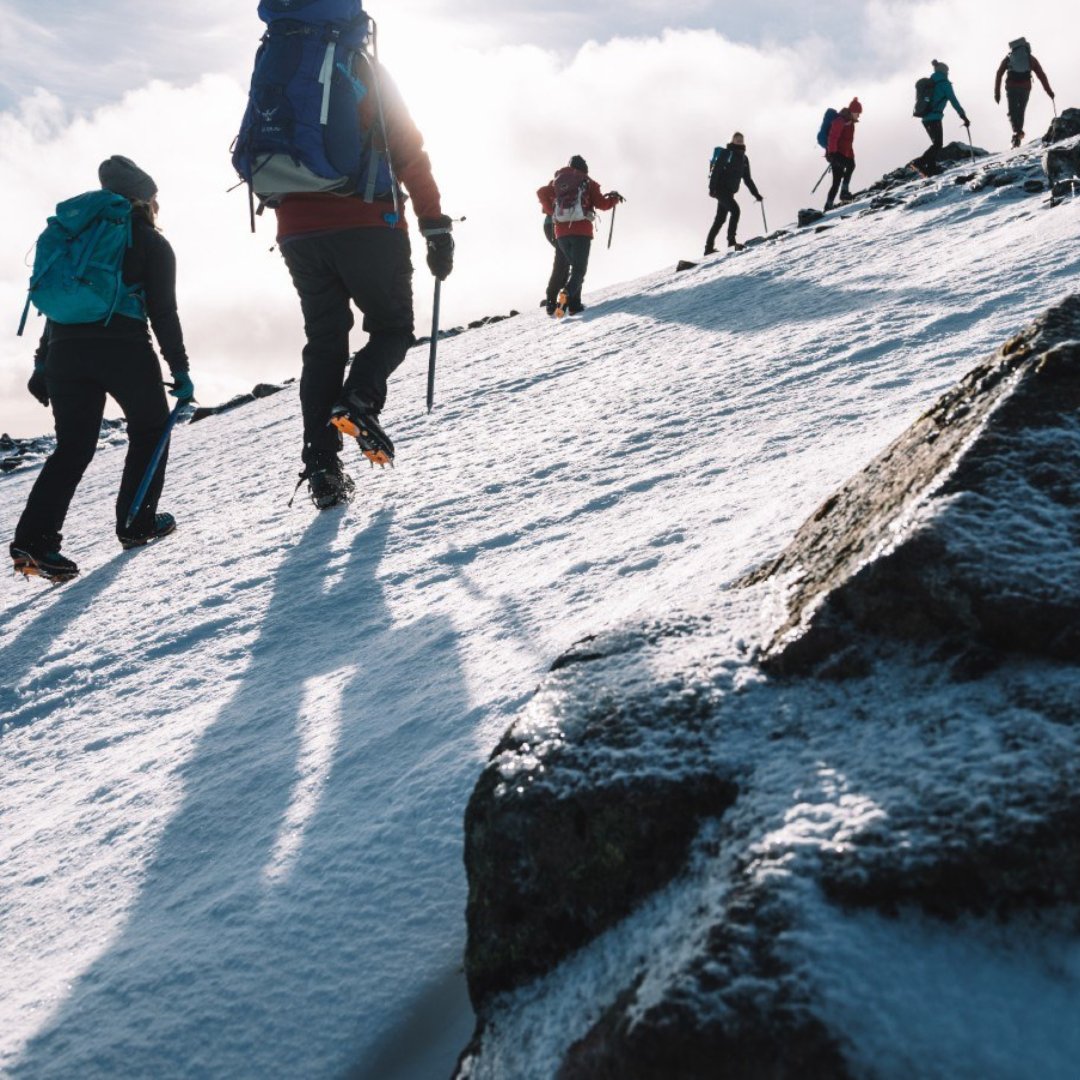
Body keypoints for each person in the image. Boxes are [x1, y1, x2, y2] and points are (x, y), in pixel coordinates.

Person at [275, 62, 453, 508]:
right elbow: (409, 150)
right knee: (393, 327)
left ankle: (322, 468)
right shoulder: (362, 67)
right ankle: (359, 400)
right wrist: (434, 227)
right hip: (368, 220)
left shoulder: (280, 66)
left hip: (296, 230)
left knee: (324, 342)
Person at [10, 156, 193, 582]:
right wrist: (180, 370)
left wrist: (43, 362)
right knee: (149, 430)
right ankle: (136, 523)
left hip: (65, 355)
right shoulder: (149, 241)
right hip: (123, 348)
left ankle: (33, 542)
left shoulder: (75, 238)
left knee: (73, 448)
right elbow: (163, 312)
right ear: (145, 198)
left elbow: (61, 310)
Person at [536, 156, 622, 316]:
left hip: (560, 232)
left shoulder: (558, 181)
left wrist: (551, 211)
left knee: (563, 265)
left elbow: (541, 192)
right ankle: (568, 296)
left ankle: (562, 303)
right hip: (581, 232)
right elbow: (602, 204)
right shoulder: (588, 182)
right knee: (578, 270)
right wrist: (614, 200)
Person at [704, 132, 763, 254]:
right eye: (737, 140)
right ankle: (731, 242)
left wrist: (756, 194)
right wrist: (712, 188)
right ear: (732, 141)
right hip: (720, 189)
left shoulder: (744, 159)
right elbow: (717, 171)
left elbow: (747, 179)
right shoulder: (727, 153)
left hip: (729, 192)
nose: (740, 142)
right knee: (735, 211)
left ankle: (708, 249)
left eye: (741, 140)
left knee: (720, 219)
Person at [994, 38, 1054, 149]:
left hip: (1011, 87)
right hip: (1025, 88)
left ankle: (1017, 133)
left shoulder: (1008, 58)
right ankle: (1018, 134)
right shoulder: (1030, 59)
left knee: (1012, 111)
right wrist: (1049, 91)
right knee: (1021, 111)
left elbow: (999, 74)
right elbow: (1041, 75)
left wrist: (997, 93)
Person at [913, 60, 969, 175]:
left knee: (935, 143)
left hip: (925, 118)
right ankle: (920, 162)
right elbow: (954, 101)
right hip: (934, 118)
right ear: (945, 72)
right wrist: (963, 116)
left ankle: (931, 168)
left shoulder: (930, 82)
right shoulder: (945, 84)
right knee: (938, 144)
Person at [824, 99, 862, 211]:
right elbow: (833, 137)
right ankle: (843, 193)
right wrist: (832, 153)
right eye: (858, 113)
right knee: (850, 167)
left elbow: (848, 143)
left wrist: (851, 156)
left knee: (837, 180)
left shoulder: (850, 124)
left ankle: (828, 205)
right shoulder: (840, 121)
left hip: (842, 154)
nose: (859, 115)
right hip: (836, 154)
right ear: (852, 112)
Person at [538, 210, 570, 317]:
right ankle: (552, 300)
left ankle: (559, 297)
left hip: (558, 223)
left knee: (565, 258)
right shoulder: (553, 193)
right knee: (562, 260)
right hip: (555, 224)